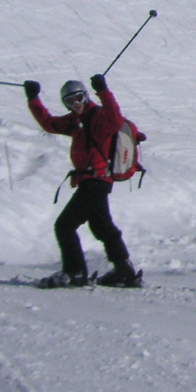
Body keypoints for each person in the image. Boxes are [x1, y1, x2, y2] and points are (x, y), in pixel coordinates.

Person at [23, 73, 141, 288]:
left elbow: (116, 119)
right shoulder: (75, 121)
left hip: (96, 182)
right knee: (103, 228)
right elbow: (49, 124)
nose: (76, 104)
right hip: (92, 182)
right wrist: (33, 99)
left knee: (64, 226)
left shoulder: (101, 118)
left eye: (79, 98)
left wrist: (103, 90)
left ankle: (75, 272)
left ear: (86, 96)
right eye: (70, 101)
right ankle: (124, 271)